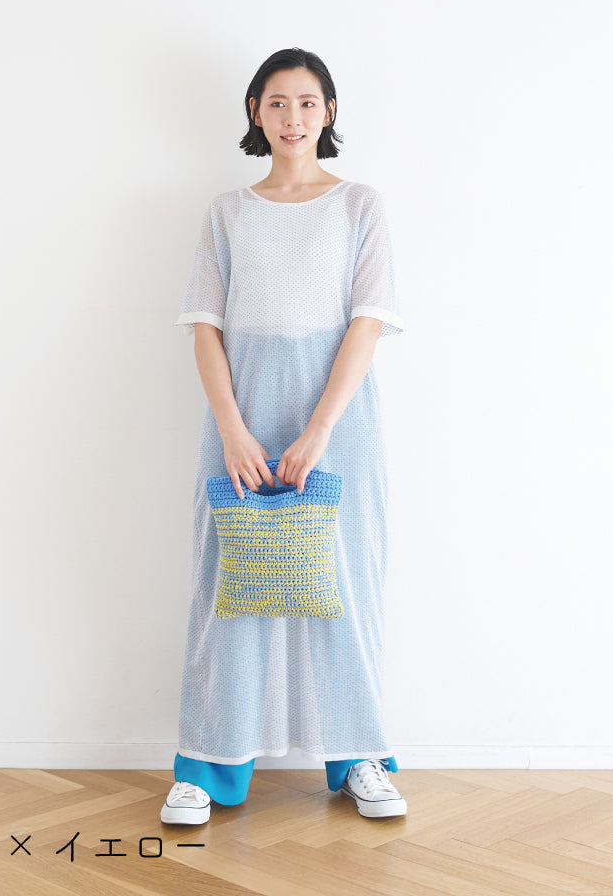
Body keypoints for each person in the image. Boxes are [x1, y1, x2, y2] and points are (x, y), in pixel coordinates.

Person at [163, 47, 406, 825]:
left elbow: (368, 322)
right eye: (277, 102)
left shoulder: (360, 205)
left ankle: (360, 755)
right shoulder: (227, 212)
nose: (292, 117)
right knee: (228, 587)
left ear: (328, 112)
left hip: (339, 419)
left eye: (307, 102)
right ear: (255, 113)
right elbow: (205, 327)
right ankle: (205, 767)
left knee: (343, 584)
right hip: (241, 414)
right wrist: (233, 430)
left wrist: (320, 429)